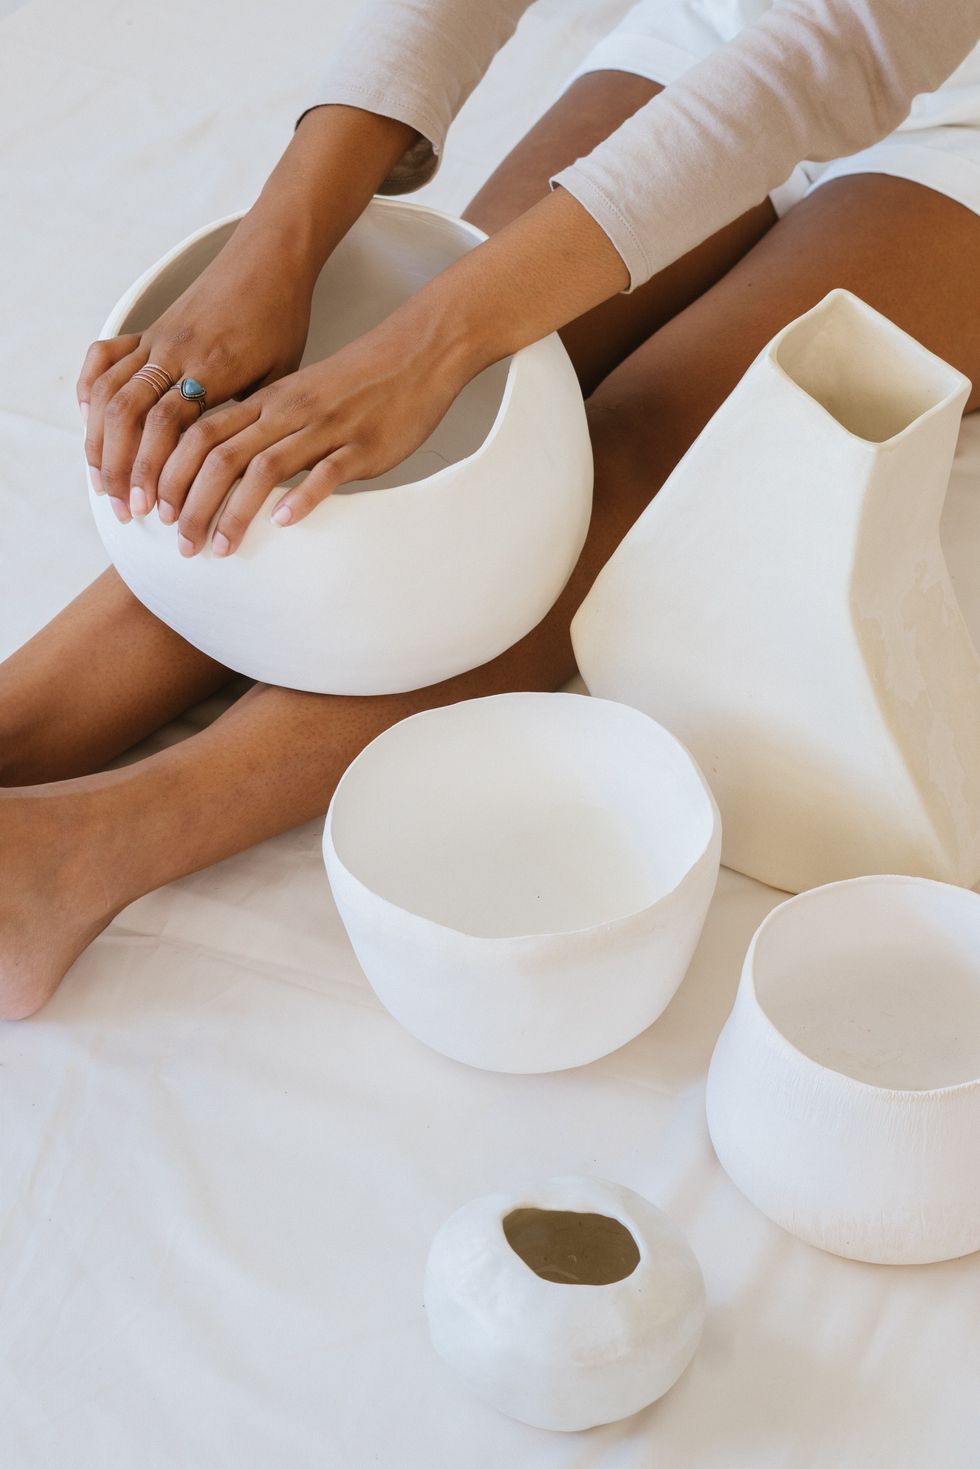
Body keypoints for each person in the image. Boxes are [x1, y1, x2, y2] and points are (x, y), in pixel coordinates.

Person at [2, 0, 979, 1019]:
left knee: (598, 460)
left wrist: (422, 348)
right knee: (396, 418)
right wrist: (275, 246)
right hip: (723, 26)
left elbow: (846, 45)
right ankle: (15, 728)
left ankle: (74, 856)